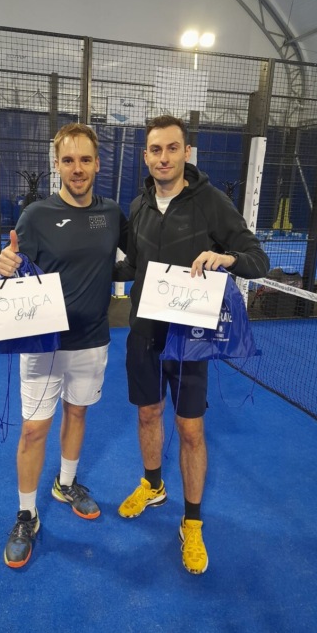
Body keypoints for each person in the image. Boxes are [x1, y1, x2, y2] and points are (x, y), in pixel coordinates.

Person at [113, 115, 269, 574]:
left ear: (186, 152)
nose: (163, 158)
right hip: (143, 333)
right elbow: (134, 266)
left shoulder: (211, 202)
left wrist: (227, 257)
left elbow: (257, 259)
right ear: (146, 156)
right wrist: (83, 266)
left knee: (190, 430)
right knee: (147, 413)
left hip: (190, 340)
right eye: (155, 150)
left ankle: (193, 522)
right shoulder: (140, 205)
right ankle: (153, 485)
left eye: (172, 148)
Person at [0, 123, 127, 568]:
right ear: (57, 166)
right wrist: (0, 266)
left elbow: (138, 256)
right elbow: (10, 269)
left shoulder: (112, 214)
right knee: (33, 430)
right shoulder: (36, 216)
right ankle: (26, 515)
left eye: (85, 159)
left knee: (78, 412)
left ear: (97, 163)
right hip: (43, 344)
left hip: (92, 341)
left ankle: (65, 483)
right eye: (68, 160)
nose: (77, 168)